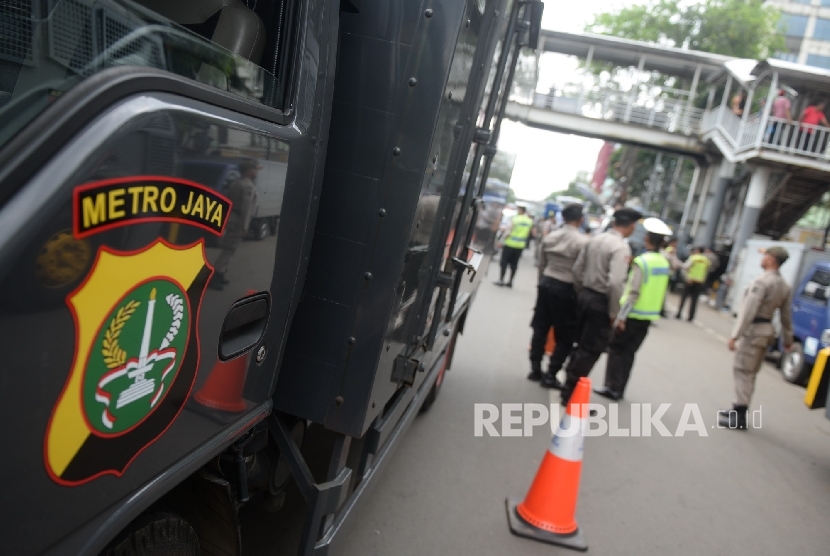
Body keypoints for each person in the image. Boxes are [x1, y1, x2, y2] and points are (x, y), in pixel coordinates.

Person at [560, 207, 641, 406]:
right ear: (630, 226)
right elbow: (615, 283)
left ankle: (568, 384)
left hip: (586, 295)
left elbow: (577, 269)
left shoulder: (594, 239)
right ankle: (570, 393)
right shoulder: (621, 248)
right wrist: (614, 312)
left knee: (579, 344)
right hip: (601, 302)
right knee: (591, 349)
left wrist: (583, 292)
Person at [594, 218, 672, 401]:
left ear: (647, 239)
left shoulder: (642, 261)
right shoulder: (663, 262)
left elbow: (633, 292)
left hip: (632, 314)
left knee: (616, 350)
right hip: (648, 317)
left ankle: (611, 387)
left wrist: (621, 317)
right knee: (629, 353)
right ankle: (619, 388)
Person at [719, 246, 793, 430]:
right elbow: (786, 315)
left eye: (765, 255)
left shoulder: (762, 282)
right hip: (766, 331)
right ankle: (737, 407)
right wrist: (788, 339)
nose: (763, 258)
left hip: (754, 332)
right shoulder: (784, 285)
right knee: (749, 371)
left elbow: (748, 311)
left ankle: (740, 415)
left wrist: (735, 335)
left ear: (771, 259)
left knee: (743, 371)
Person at [528, 204, 590, 388]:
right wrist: (578, 292)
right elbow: (580, 272)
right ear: (580, 220)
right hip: (566, 287)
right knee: (565, 335)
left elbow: (541, 264)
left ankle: (535, 369)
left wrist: (542, 283)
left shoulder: (550, 237)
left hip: (547, 282)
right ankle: (551, 374)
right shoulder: (582, 242)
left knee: (540, 328)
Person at [211, 158, 260, 290]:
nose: (256, 172)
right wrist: (245, 226)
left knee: (229, 249)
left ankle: (220, 274)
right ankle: (214, 277)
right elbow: (246, 208)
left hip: (232, 217)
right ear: (249, 171)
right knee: (229, 250)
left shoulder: (236, 183)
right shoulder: (247, 186)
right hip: (238, 220)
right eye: (255, 170)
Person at [495, 204, 533, 287]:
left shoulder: (515, 219)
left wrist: (501, 241)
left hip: (510, 244)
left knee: (504, 262)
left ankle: (501, 280)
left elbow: (507, 232)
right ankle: (510, 282)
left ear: (520, 211)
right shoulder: (529, 221)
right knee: (514, 264)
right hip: (520, 246)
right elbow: (530, 233)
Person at [675, 246, 710, 322]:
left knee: (684, 298)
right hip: (699, 282)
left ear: (697, 250)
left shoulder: (693, 258)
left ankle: (679, 313)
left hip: (690, 281)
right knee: (694, 300)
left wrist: (686, 275)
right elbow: (707, 272)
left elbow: (686, 267)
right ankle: (690, 317)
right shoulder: (706, 260)